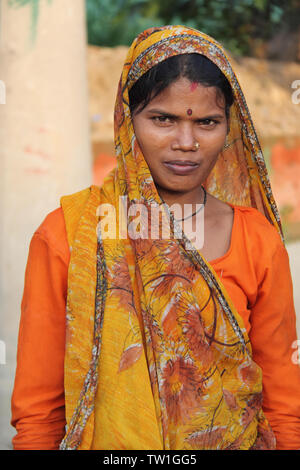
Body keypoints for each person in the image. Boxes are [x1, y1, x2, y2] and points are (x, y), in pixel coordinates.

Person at [11, 25, 300, 450]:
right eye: (162, 119)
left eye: (207, 122)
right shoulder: (69, 235)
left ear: (228, 128)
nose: (186, 143)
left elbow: (284, 404)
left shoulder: (257, 241)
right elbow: (39, 414)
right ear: (128, 122)